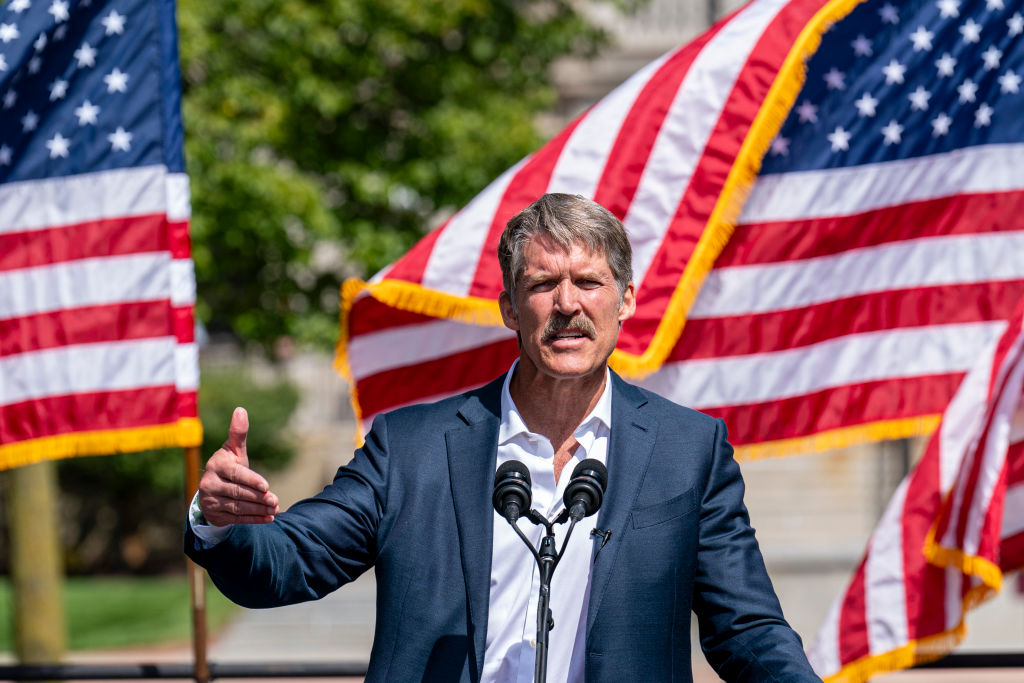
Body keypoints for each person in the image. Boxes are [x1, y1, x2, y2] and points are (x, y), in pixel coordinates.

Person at [186, 193, 822, 682]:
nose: (567, 304)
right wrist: (223, 523)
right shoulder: (410, 447)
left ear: (625, 300)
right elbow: (289, 564)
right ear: (510, 309)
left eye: (589, 282)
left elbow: (747, 629)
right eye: (543, 284)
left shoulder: (690, 450)